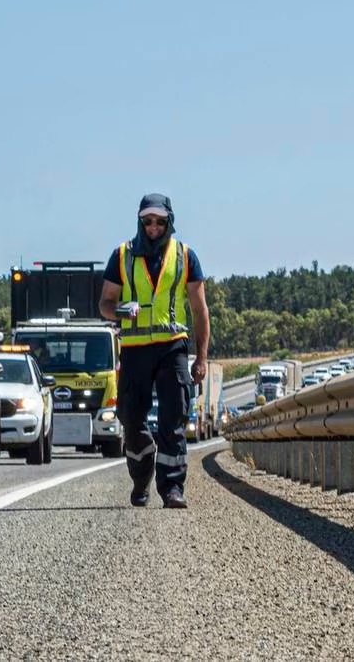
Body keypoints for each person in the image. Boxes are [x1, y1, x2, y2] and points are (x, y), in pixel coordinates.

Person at [99, 193, 210, 509]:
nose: (153, 227)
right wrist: (121, 311)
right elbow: (104, 304)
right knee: (131, 419)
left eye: (160, 221)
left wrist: (200, 358)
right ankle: (141, 476)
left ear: (169, 221)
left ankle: (172, 487)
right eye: (147, 221)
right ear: (139, 220)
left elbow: (200, 311)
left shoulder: (186, 256)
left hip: (172, 347)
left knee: (174, 414)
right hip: (134, 349)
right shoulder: (121, 256)